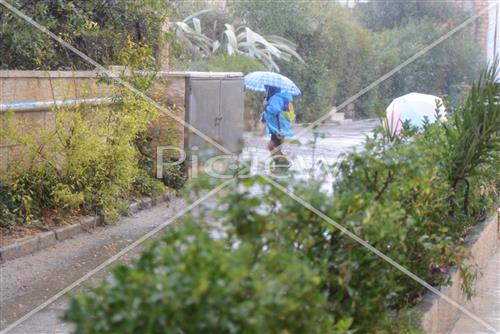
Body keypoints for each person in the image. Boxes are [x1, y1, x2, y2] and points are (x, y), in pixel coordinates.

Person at [261, 85, 294, 152]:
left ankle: (282, 162)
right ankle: (280, 161)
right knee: (275, 148)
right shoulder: (281, 97)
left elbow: (274, 110)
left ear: (271, 89)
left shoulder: (276, 98)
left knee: (272, 147)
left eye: (267, 89)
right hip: (280, 127)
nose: (266, 91)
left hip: (278, 128)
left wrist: (265, 106)